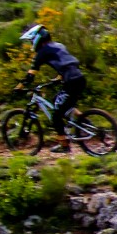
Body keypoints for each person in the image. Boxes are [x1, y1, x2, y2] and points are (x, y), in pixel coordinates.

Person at [19, 24, 86, 154]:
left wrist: (20, 86)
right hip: (79, 78)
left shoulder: (41, 53)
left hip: (71, 81)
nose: (31, 43)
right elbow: (66, 62)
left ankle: (64, 145)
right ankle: (84, 120)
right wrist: (58, 78)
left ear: (37, 39)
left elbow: (30, 76)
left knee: (56, 116)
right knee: (58, 100)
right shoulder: (59, 45)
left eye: (31, 40)